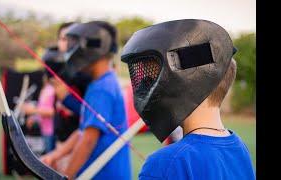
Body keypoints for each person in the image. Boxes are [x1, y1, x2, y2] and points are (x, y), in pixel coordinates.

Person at [121, 19, 255, 179]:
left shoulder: (165, 163)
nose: (146, 85)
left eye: (152, 78)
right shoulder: (240, 149)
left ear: (182, 81)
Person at [41, 21, 132, 179]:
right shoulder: (98, 83)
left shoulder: (102, 89)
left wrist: (67, 176)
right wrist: (55, 155)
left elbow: (88, 140)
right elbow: (82, 132)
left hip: (106, 175)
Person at [21, 74, 56, 153]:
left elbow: (52, 111)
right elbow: (41, 109)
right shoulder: (44, 90)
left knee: (51, 159)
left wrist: (33, 110)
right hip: (45, 130)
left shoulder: (52, 90)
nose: (43, 78)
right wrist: (33, 118)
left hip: (52, 131)